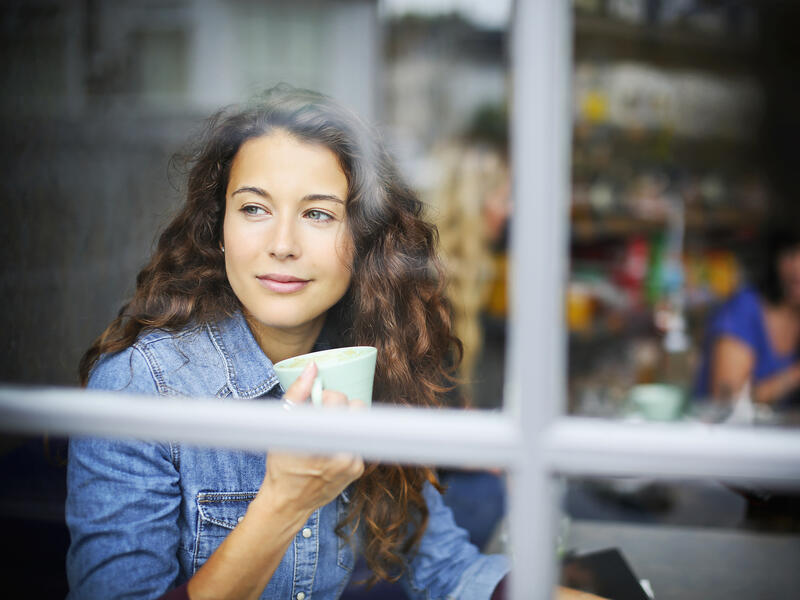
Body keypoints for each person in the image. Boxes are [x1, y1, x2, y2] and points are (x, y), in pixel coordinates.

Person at [65, 85, 510, 600]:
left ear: (365, 239)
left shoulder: (369, 364)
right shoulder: (137, 388)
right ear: (220, 229)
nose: (281, 245)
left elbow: (450, 572)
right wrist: (285, 501)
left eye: (317, 214)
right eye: (254, 209)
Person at [695, 225, 800, 406]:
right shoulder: (745, 308)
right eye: (790, 254)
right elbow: (726, 399)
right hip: (724, 432)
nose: (798, 266)